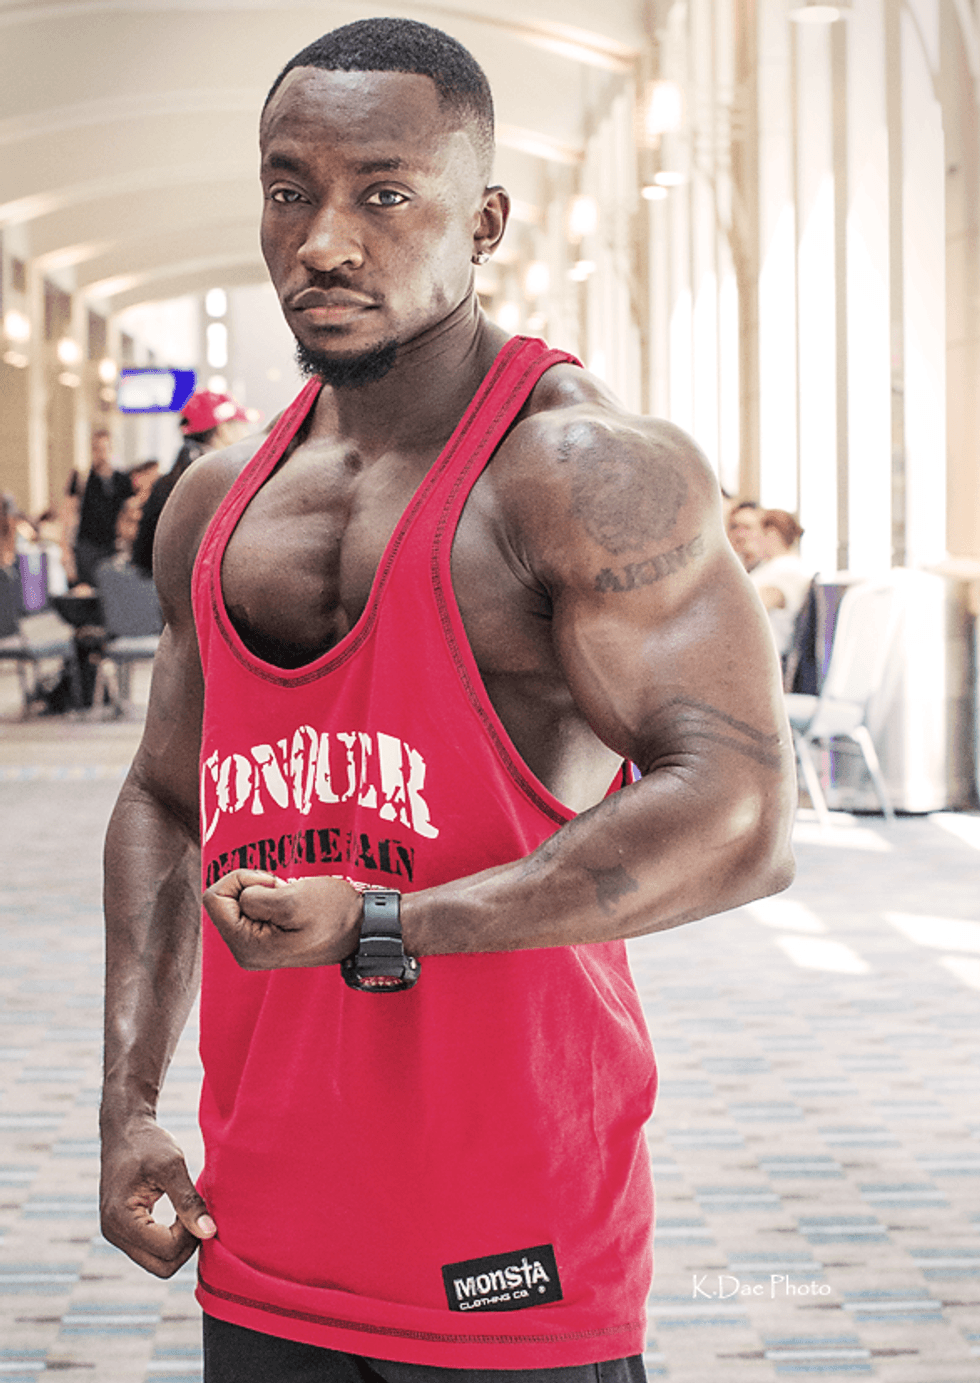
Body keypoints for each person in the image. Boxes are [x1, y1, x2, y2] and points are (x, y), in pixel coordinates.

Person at [99, 19, 797, 1383]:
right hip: (264, 1228)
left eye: (384, 193)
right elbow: (165, 798)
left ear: (483, 221)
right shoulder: (214, 499)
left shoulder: (581, 470)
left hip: (513, 1233)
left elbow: (743, 815)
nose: (324, 242)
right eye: (289, 190)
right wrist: (127, 1103)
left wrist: (386, 925)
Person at [131, 391, 250, 576]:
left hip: (165, 587)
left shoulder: (172, 478)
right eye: (239, 425)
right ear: (222, 429)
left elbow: (143, 557)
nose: (246, 433)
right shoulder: (219, 478)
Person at [63, 429, 134, 585]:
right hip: (87, 546)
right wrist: (66, 550)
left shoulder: (122, 480)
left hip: (113, 546)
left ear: (111, 449)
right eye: (97, 449)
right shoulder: (81, 478)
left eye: (104, 449)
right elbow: (69, 513)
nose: (101, 454)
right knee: (89, 590)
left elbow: (130, 512)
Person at [749, 509, 813, 661]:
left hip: (769, 658)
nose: (752, 541)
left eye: (756, 534)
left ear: (771, 534)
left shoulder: (784, 569)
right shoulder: (779, 567)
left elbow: (749, 610)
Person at [726, 499, 764, 572]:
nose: (740, 534)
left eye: (747, 527)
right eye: (734, 527)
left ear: (763, 531)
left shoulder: (776, 568)